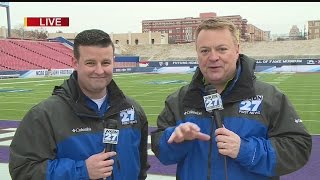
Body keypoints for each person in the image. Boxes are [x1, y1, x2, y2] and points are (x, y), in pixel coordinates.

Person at [151, 17, 312, 180]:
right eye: (205, 50)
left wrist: (246, 150)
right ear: (197, 54)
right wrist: (175, 139)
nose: (213, 57)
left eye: (221, 49)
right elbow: (162, 153)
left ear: (237, 50)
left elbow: (298, 148)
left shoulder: (270, 98)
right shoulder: (179, 100)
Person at [9, 29, 150, 180]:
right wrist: (82, 170)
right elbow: (23, 171)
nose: (99, 70)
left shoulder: (133, 110)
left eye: (106, 63)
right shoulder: (44, 115)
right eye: (90, 63)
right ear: (75, 63)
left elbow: (140, 169)